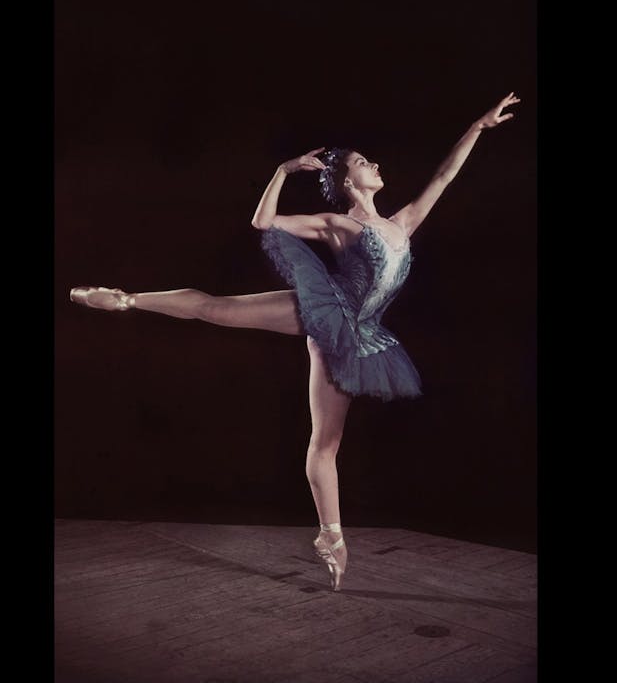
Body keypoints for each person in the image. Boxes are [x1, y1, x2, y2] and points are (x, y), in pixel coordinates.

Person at [70, 93, 521, 591]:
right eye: (363, 162)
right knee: (217, 308)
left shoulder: (403, 223)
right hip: (324, 309)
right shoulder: (336, 224)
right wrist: (283, 171)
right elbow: (263, 223)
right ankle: (125, 299)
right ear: (348, 182)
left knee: (326, 443)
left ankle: (330, 536)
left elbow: (444, 177)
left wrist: (478, 127)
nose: (374, 165)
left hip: (358, 338)